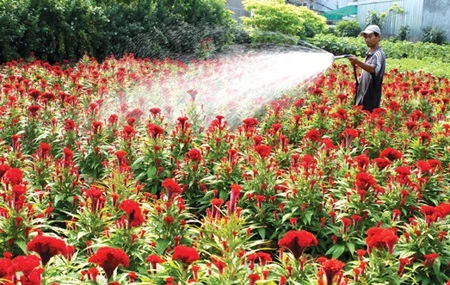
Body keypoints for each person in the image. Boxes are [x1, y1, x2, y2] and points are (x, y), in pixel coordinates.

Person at [348, 24, 386, 112]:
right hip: (363, 92)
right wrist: (360, 79)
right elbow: (367, 72)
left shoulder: (378, 53)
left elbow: (373, 69)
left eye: (370, 36)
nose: (367, 39)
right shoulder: (369, 52)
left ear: (378, 37)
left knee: (367, 119)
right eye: (365, 37)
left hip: (371, 96)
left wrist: (357, 62)